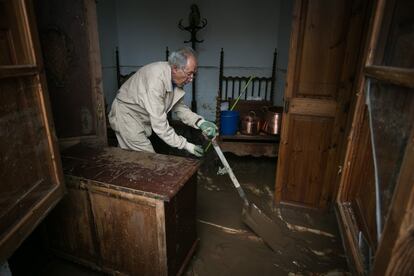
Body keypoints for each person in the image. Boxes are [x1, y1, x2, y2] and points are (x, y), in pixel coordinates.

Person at [108, 47, 217, 157]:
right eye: (189, 74)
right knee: (147, 160)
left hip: (139, 118)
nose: (191, 78)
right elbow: (160, 125)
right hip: (127, 116)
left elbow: (180, 108)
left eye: (194, 74)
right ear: (175, 68)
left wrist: (200, 122)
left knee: (129, 157)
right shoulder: (155, 81)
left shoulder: (175, 80)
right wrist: (186, 145)